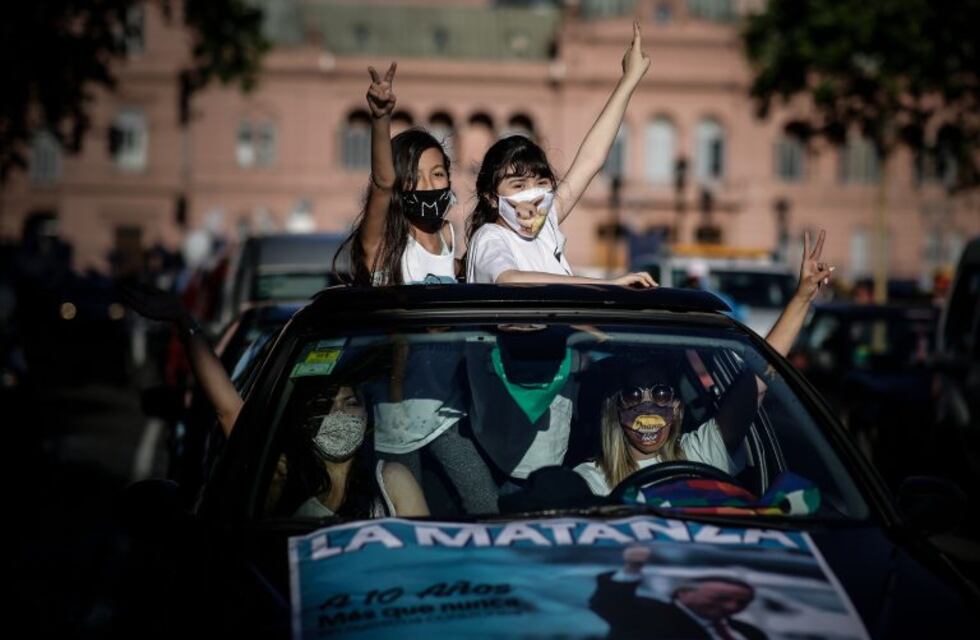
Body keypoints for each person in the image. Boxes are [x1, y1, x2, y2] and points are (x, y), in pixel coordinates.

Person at [119, 283, 429, 518]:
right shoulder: (280, 472)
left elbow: (429, 560)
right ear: (305, 418)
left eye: (350, 403)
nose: (339, 414)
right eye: (324, 404)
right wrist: (183, 321)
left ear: (367, 415)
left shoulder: (391, 481)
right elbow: (228, 410)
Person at [575, 231, 835, 495]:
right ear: (614, 407)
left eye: (661, 392)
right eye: (633, 393)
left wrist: (802, 298)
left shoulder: (700, 453)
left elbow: (757, 380)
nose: (648, 405)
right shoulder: (591, 481)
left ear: (677, 406)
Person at [465, 23, 656, 289]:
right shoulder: (490, 238)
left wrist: (629, 80)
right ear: (490, 197)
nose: (533, 195)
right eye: (518, 185)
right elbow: (509, 279)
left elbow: (591, 159)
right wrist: (605, 284)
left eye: (541, 183)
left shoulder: (545, 226)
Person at [336, 62, 458, 286]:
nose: (429, 185)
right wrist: (381, 117)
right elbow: (383, 182)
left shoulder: (447, 235)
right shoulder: (383, 242)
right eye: (415, 176)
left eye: (438, 174)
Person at [590, 546, 766, 640]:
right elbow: (610, 603)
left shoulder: (749, 632)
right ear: (683, 592)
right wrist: (632, 567)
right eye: (720, 598)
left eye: (742, 602)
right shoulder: (647, 616)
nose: (732, 606)